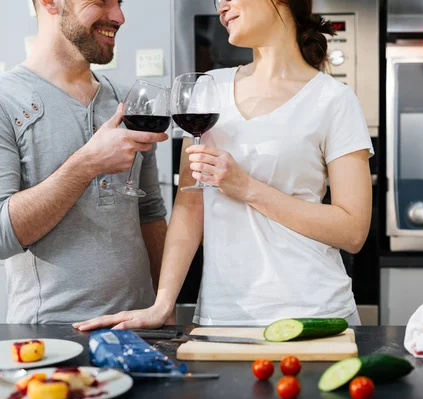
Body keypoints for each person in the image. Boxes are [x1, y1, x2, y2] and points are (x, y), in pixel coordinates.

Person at [74, 0, 373, 330]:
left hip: (315, 315)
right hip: (223, 317)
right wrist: (162, 304)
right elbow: (189, 207)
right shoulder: (208, 89)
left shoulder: (333, 99)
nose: (222, 6)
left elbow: (353, 231)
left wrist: (247, 188)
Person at [0, 0, 170, 323]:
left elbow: (151, 215)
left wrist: (165, 308)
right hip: (52, 338)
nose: (119, 16)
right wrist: (87, 163)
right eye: (102, 1)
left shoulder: (127, 103)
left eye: (119, 3)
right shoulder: (6, 102)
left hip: (138, 331)